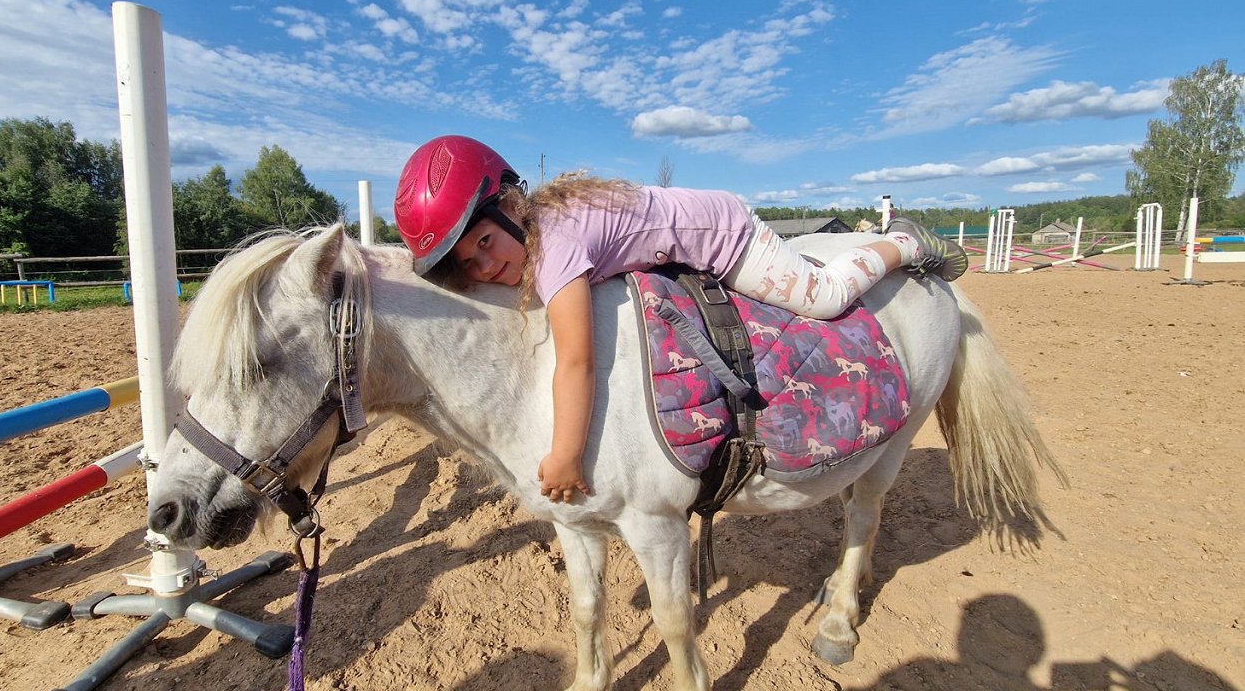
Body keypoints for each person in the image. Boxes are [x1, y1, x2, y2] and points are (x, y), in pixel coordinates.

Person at [393, 135, 967, 504]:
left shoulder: (559, 246)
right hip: (687, 234)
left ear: (512, 207)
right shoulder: (541, 229)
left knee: (821, 295)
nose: (488, 266)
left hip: (726, 237)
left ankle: (901, 245)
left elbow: (576, 363)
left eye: (487, 242)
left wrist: (566, 456)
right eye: (470, 263)